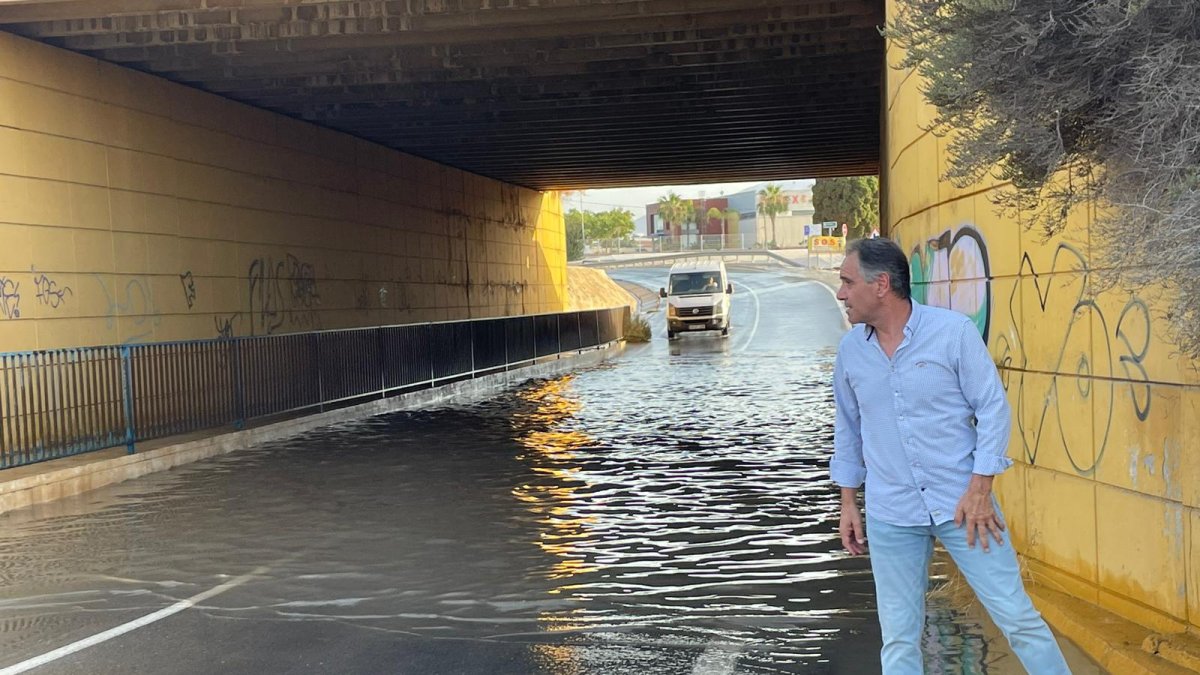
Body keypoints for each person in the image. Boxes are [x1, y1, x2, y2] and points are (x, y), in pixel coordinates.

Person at [830, 238, 1070, 674]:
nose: (841, 293)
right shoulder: (851, 352)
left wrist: (980, 490)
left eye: (848, 282)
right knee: (899, 638)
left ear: (881, 285)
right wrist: (848, 502)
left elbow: (993, 408)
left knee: (1017, 618)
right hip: (892, 513)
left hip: (965, 508)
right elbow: (848, 429)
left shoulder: (952, 333)